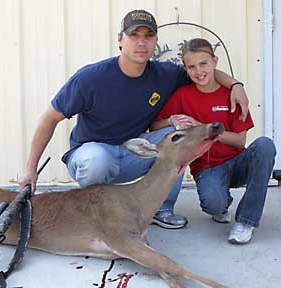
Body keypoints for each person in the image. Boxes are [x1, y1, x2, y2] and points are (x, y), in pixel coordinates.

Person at [19, 10, 250, 230]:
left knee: (177, 138)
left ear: (155, 41)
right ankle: (97, 213)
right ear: (120, 40)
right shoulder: (90, 78)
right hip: (94, 152)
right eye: (134, 35)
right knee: (96, 159)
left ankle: (161, 209)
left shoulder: (164, 74)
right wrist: (30, 170)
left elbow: (200, 71)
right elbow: (48, 120)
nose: (142, 42)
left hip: (134, 150)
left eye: (148, 36)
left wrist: (235, 85)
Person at [150, 38, 276, 243]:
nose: (198, 71)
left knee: (265, 145)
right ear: (185, 69)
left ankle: (246, 221)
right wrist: (172, 120)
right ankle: (222, 203)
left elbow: (238, 140)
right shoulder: (182, 95)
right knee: (213, 205)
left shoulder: (231, 95)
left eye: (203, 64)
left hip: (237, 162)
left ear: (215, 61)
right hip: (207, 168)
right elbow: (154, 127)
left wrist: (203, 128)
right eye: (191, 67)